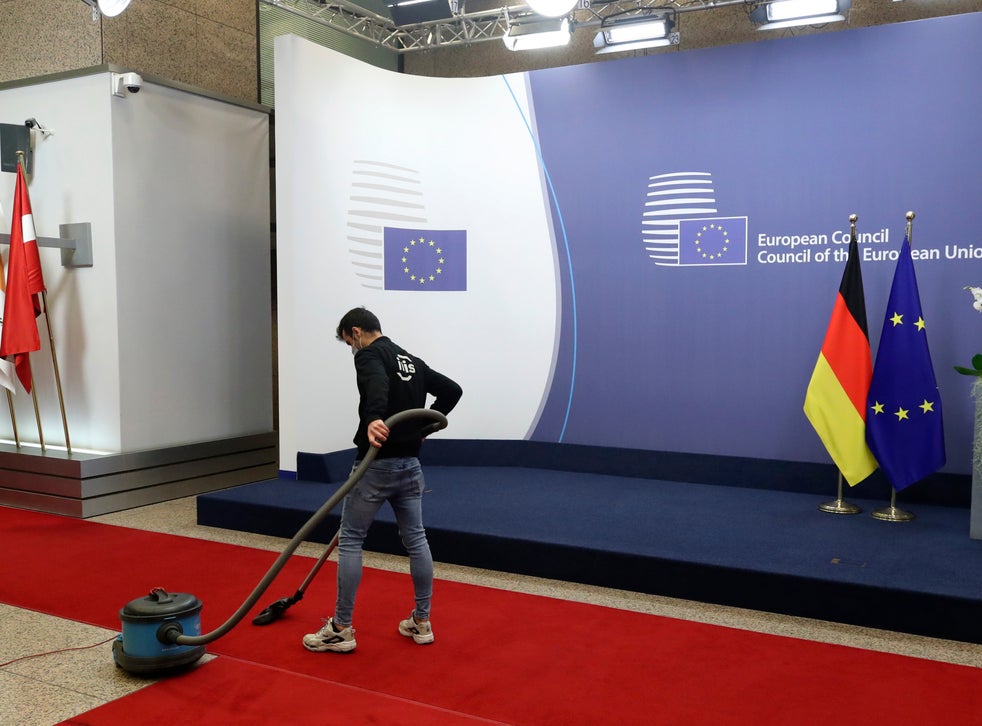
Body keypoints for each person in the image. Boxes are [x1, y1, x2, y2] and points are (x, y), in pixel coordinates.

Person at [303, 307, 462, 653]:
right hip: (410, 467)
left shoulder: (370, 355)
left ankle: (341, 628)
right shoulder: (411, 360)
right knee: (416, 540)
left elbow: (376, 384)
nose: (352, 349)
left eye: (350, 342)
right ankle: (422, 621)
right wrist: (427, 428)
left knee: (350, 541)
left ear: (356, 331)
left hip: (374, 467)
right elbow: (452, 390)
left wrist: (375, 417)